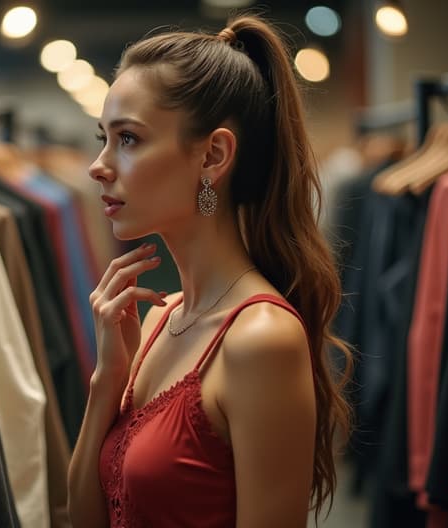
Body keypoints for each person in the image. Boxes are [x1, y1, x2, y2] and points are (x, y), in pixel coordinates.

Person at [67, 13, 352, 528]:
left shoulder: (261, 339)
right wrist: (106, 379)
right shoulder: (159, 320)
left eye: (127, 139)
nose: (98, 164)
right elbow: (84, 516)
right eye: (102, 138)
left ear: (213, 155)